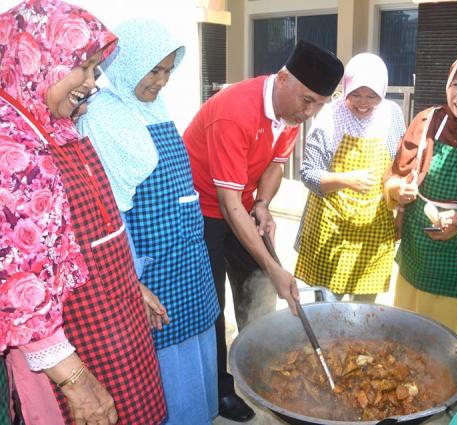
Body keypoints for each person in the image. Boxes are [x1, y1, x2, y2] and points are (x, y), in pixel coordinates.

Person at [0, 1, 166, 424]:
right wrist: (76, 381)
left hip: (111, 300)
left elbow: (94, 227)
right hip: (66, 332)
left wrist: (131, 285)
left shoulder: (55, 124)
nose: (92, 82)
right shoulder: (13, 148)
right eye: (83, 67)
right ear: (37, 57)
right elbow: (21, 284)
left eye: (96, 69)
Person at [183, 40, 343, 421]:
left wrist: (263, 204)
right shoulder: (234, 111)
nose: (310, 112)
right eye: (308, 101)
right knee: (213, 305)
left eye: (319, 104)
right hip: (202, 210)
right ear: (283, 79)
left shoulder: (290, 113)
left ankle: (259, 370)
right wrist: (275, 266)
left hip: (242, 204)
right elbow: (227, 203)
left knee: (260, 290)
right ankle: (222, 389)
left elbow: (274, 165)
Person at [77, 19, 220, 425]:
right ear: (127, 61)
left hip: (187, 260)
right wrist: (130, 280)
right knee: (167, 371)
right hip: (149, 267)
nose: (161, 81)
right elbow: (106, 213)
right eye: (153, 70)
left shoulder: (154, 106)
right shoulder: (102, 115)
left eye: (168, 71)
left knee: (198, 353)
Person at [384, 55, 457, 389]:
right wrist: (398, 190)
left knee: (455, 345)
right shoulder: (427, 121)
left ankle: (456, 395)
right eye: (456, 85)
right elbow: (394, 174)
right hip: (418, 254)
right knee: (411, 337)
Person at [294, 53, 404, 302]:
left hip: (374, 229)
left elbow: (401, 165)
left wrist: (402, 214)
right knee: (328, 309)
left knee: (364, 312)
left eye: (372, 96)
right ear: (346, 89)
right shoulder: (331, 115)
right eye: (355, 94)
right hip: (331, 227)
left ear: (383, 92)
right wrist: (346, 180)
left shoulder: (392, 114)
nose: (363, 103)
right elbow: (308, 173)